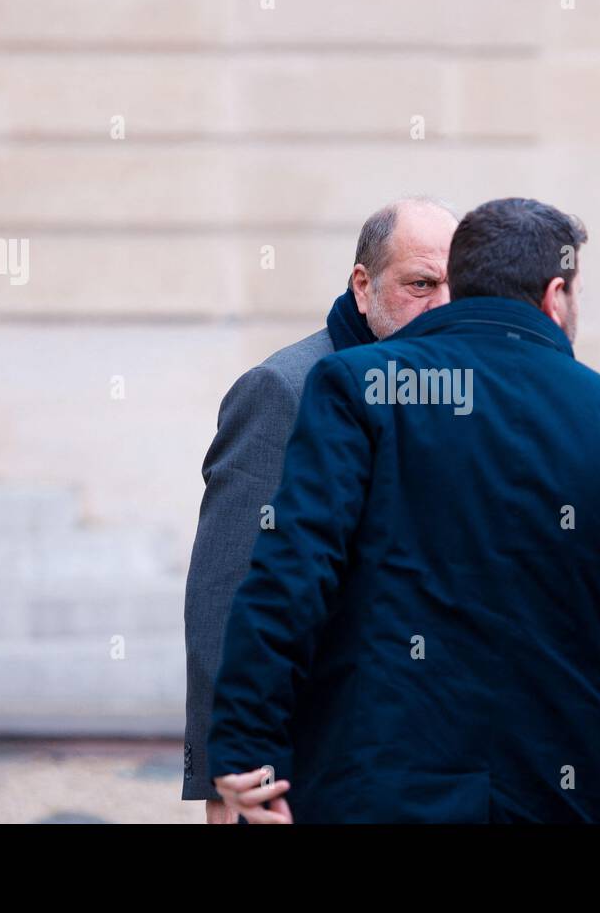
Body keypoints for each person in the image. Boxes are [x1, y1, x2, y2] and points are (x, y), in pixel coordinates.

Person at [207, 197, 600, 823]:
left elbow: (289, 579)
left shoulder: (356, 387)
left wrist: (244, 753)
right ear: (556, 295)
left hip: (383, 801)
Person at [181, 196, 458, 822]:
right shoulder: (283, 389)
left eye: (454, 287)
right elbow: (224, 592)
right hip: (302, 772)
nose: (441, 305)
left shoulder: (453, 389)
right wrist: (224, 773)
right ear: (363, 285)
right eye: (420, 284)